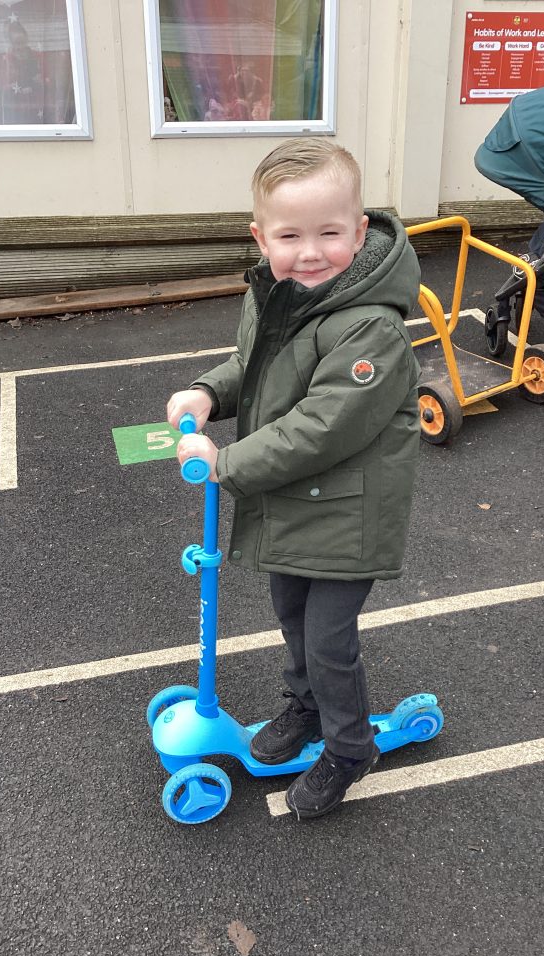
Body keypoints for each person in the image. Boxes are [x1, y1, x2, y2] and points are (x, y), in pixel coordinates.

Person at [166, 138, 420, 819]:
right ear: (261, 237)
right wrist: (207, 393)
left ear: (359, 233)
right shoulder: (279, 297)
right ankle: (306, 706)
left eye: (329, 233)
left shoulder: (371, 328)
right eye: (290, 236)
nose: (310, 253)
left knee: (328, 639)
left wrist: (226, 464)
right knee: (292, 617)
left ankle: (349, 747)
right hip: (297, 503)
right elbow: (254, 366)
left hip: (347, 515)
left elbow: (322, 426)